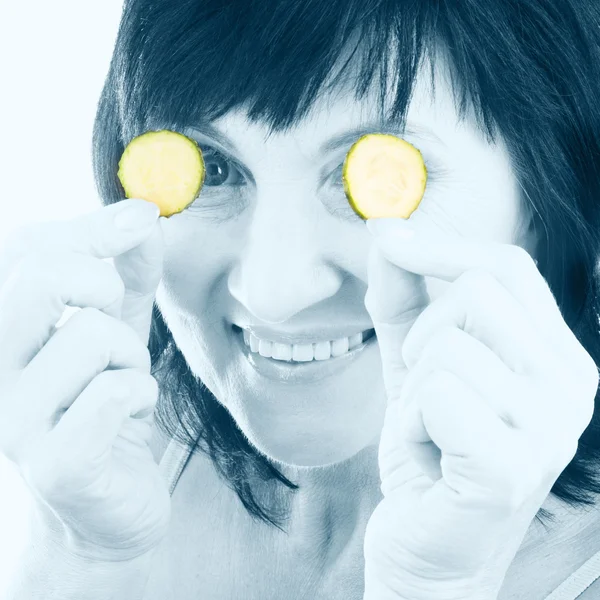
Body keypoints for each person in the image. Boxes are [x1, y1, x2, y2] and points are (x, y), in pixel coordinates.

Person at [2, 0, 600, 598]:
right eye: (212, 168)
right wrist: (80, 557)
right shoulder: (113, 443)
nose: (273, 294)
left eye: (363, 177)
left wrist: (438, 584)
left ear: (547, 194)